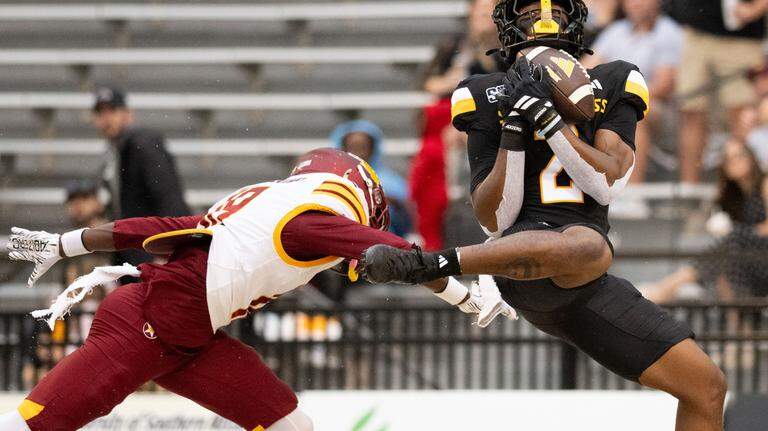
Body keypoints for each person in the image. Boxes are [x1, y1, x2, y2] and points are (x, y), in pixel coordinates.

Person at [359, 1, 727, 430]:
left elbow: (607, 184)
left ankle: (432, 264)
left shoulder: (613, 78)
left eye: (555, 11)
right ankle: (432, 263)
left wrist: (551, 121)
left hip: (583, 282)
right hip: (523, 264)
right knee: (589, 246)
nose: (546, 20)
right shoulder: (482, 92)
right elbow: (495, 220)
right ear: (510, 25)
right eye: (530, 11)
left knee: (705, 384)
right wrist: (515, 126)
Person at [1, 149, 513, 431]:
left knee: (294, 427)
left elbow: (162, 225)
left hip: (190, 340)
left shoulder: (261, 203)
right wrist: (467, 296)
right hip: (145, 326)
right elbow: (400, 257)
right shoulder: (309, 220)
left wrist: (67, 243)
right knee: (38, 427)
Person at [645, 140, 768, 302]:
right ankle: (737, 319)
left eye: (740, 155)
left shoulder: (764, 184)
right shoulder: (733, 195)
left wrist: (741, 232)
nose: (735, 162)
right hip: (743, 258)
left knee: (733, 241)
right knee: (729, 259)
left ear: (751, 157)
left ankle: (671, 285)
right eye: (728, 159)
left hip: (762, 256)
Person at [668, 0, 768, 183]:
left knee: (743, 115)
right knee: (690, 109)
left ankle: (747, 192)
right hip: (696, 31)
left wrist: (757, 7)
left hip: (741, 37)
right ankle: (689, 190)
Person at [584, 0, 683, 183]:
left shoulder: (668, 31)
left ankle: (632, 193)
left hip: (662, 109)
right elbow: (585, 70)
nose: (635, 4)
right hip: (613, 102)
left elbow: (663, 85)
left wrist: (620, 98)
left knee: (632, 112)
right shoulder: (615, 31)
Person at [93, 86, 190, 268]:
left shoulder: (142, 144)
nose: (106, 119)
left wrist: (170, 247)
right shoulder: (115, 151)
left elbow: (168, 195)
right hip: (134, 250)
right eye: (100, 113)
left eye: (112, 111)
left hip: (151, 250)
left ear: (128, 114)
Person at [330, 120, 412, 238]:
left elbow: (405, 221)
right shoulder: (332, 178)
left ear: (373, 149)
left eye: (363, 147)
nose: (358, 152)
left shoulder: (392, 181)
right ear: (343, 148)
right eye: (353, 147)